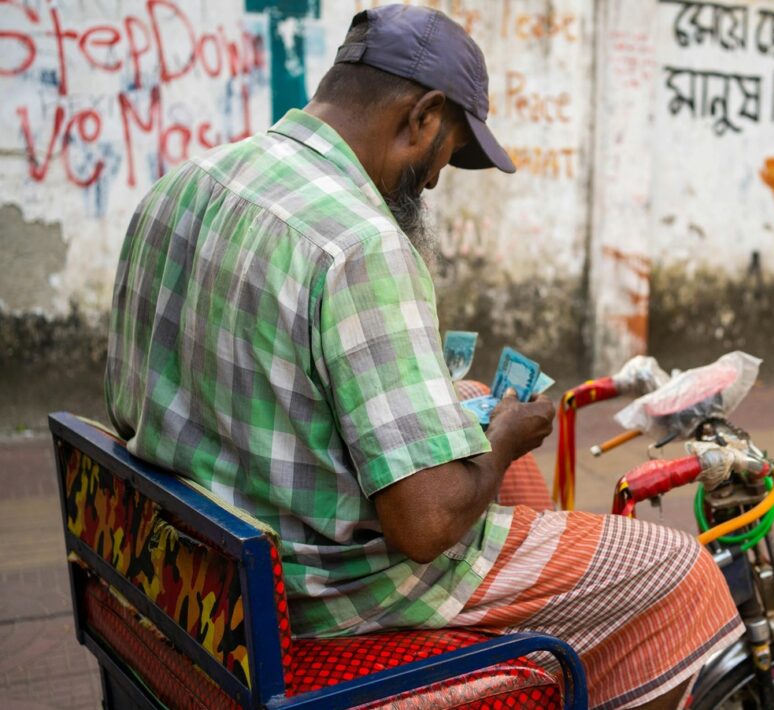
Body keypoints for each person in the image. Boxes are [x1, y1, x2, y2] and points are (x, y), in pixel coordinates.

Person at [104, 5, 740, 708]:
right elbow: (427, 524)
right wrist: (500, 441)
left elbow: (137, 403)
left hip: (199, 554)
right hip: (320, 595)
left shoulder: (185, 184)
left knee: (476, 411)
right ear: (423, 117)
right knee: (680, 572)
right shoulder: (360, 242)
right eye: (447, 153)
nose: (435, 181)